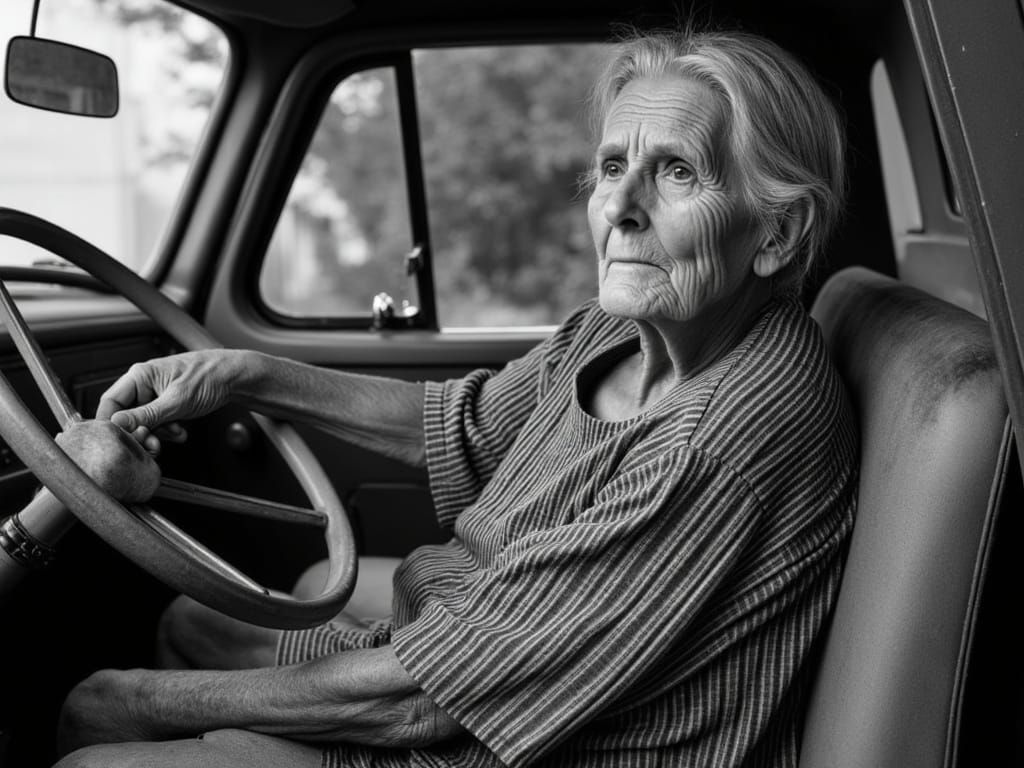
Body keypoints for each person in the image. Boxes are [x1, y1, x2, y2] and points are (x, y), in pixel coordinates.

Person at [54, 27, 857, 768]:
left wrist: (134, 706)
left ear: (778, 235)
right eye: (614, 167)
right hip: (457, 650)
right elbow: (464, 429)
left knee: (96, 729)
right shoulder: (616, 333)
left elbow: (421, 705)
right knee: (187, 626)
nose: (620, 209)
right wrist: (245, 374)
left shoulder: (714, 440)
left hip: (501, 742)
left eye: (677, 171)